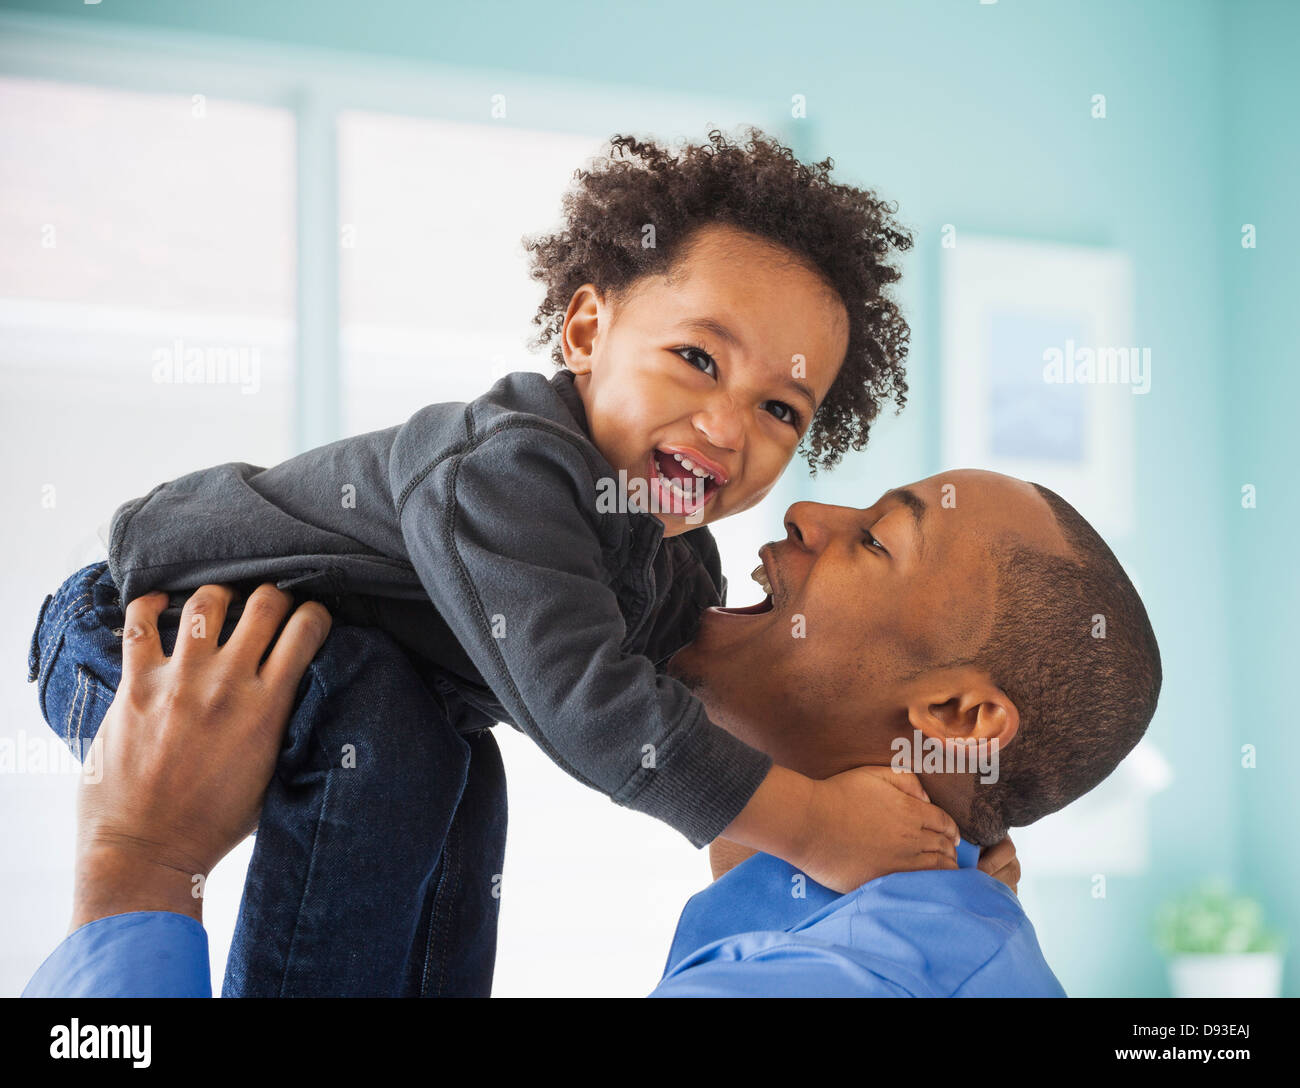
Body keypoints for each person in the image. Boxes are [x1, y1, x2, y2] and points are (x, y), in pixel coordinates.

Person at [30, 127, 952, 996]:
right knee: (391, 736)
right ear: (587, 333)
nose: (726, 426)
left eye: (780, 410)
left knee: (461, 779)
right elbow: (599, 717)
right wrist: (818, 826)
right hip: (147, 632)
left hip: (355, 680)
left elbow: (716, 713)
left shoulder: (679, 568)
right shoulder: (513, 470)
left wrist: (933, 835)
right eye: (697, 358)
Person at [26, 469, 1161, 997]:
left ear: (956, 718)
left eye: (873, 540)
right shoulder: (921, 936)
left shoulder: (831, 979)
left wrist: (139, 865)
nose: (808, 512)